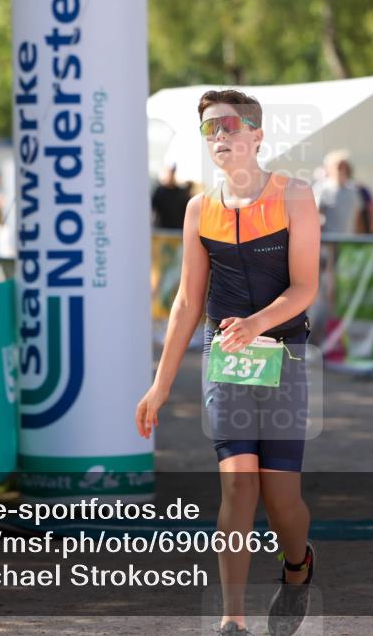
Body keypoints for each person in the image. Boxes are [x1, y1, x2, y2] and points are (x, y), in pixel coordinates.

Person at [135, 89, 320, 636]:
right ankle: (232, 619)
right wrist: (159, 385)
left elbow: (305, 286)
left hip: (284, 355)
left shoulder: (294, 196)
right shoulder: (199, 209)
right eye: (210, 129)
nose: (219, 136)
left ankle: (297, 567)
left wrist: (258, 323)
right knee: (238, 485)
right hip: (227, 361)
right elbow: (187, 302)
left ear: (257, 136)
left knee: (281, 499)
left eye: (230, 126)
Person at [313, 149, 361, 234]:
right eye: (338, 166)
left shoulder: (353, 191)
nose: (342, 170)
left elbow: (357, 218)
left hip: (348, 239)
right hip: (328, 239)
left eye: (344, 166)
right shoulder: (322, 189)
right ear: (329, 168)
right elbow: (314, 216)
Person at [151, 163, 192, 229]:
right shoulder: (159, 192)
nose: (170, 175)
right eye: (169, 172)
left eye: (172, 172)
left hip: (178, 229)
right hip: (163, 229)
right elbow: (154, 210)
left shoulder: (181, 193)